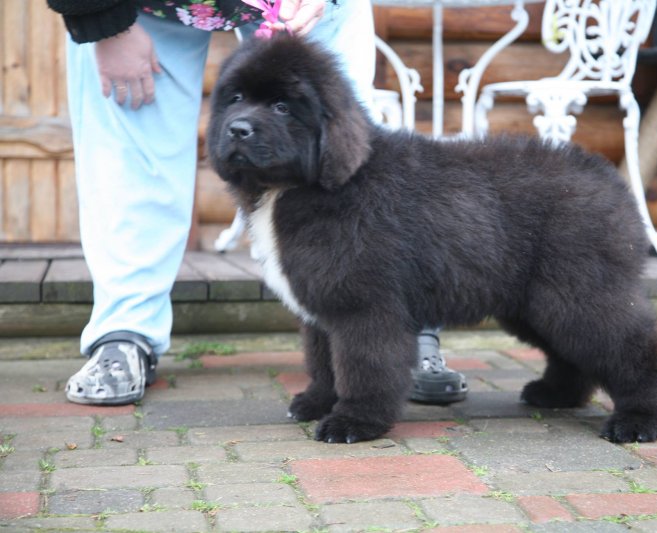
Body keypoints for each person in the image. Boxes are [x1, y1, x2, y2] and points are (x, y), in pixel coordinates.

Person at [47, 0, 467, 407]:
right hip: (149, 6)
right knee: (131, 162)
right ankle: (124, 334)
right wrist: (104, 20)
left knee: (352, 156)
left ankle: (403, 330)